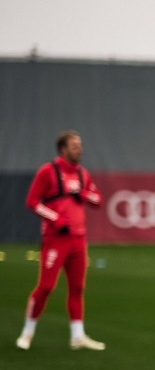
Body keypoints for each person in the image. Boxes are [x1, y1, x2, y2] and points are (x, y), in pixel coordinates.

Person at [16, 130, 105, 351]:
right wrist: (55, 218)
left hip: (78, 240)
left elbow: (98, 200)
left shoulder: (83, 174)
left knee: (77, 287)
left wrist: (83, 195)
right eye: (75, 146)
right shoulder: (48, 171)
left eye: (80, 145)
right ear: (63, 149)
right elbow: (32, 202)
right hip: (56, 239)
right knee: (46, 286)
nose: (80, 150)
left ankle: (78, 336)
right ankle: (27, 333)